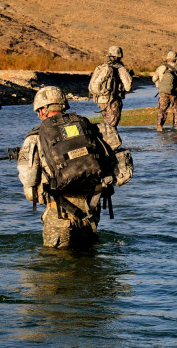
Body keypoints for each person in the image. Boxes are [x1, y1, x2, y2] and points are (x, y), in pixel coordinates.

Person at [17, 86, 128, 249]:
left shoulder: (36, 137)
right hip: (91, 209)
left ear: (42, 110)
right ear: (63, 105)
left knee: (56, 267)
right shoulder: (89, 128)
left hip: (59, 213)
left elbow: (29, 185)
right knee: (91, 265)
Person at [88, 45, 133, 127]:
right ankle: (109, 139)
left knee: (106, 122)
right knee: (112, 125)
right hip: (113, 99)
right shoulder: (120, 68)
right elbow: (128, 86)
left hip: (101, 100)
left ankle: (105, 138)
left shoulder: (101, 66)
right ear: (119, 56)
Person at [151, 50, 177, 131]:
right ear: (176, 58)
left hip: (163, 92)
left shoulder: (161, 67)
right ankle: (176, 126)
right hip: (176, 93)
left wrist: (160, 84)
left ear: (167, 58)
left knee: (162, 109)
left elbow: (154, 79)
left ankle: (159, 125)